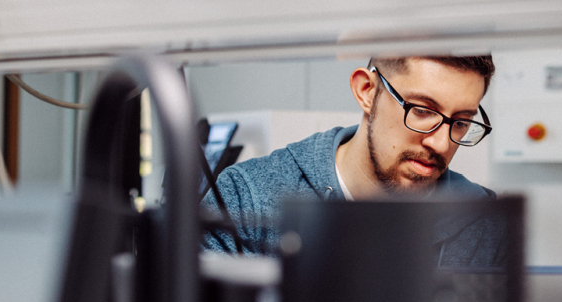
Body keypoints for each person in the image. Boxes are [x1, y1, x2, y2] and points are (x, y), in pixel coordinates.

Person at [202, 55, 509, 266]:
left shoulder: (483, 220)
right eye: (422, 111)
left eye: (461, 121)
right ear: (366, 91)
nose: (440, 143)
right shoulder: (246, 198)